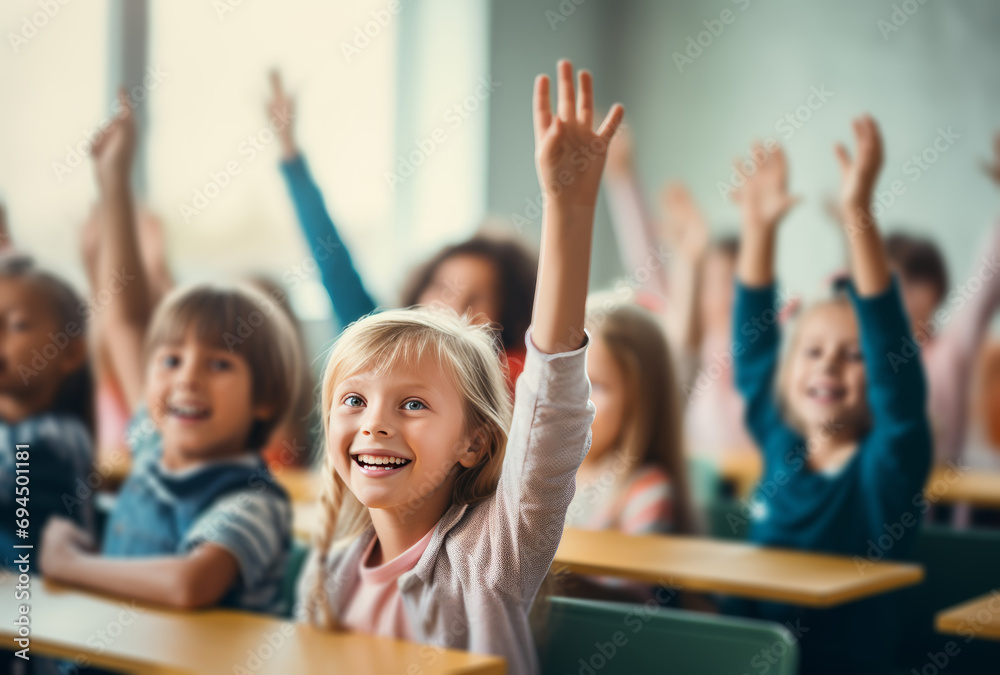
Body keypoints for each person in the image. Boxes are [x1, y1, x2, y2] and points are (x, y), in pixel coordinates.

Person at [295, 60, 623, 674]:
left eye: (413, 404)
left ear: (474, 442)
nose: (375, 424)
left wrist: (569, 209)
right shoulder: (333, 571)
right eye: (354, 401)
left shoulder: (489, 555)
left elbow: (550, 403)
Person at [38, 92, 300, 615]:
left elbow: (189, 585)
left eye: (219, 364)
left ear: (265, 400)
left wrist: (70, 566)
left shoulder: (251, 500)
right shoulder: (154, 442)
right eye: (172, 360)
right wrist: (114, 183)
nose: (187, 379)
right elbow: (126, 319)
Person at [728, 121, 932, 674]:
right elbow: (753, 353)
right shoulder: (780, 439)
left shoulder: (886, 470)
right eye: (813, 351)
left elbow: (898, 379)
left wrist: (857, 214)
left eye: (853, 355)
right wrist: (758, 230)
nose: (828, 366)